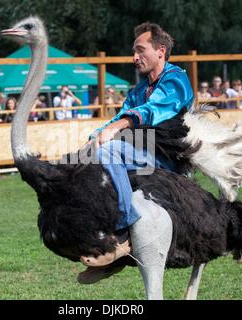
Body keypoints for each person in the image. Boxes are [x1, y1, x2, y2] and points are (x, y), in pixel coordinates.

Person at [78, 22, 194, 283]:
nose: (134, 58)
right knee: (87, 159)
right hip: (142, 150)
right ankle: (104, 243)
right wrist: (92, 139)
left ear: (161, 51)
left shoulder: (176, 79)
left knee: (108, 152)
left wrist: (115, 131)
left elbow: (153, 110)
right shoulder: (139, 89)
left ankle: (120, 235)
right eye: (134, 52)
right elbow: (119, 115)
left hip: (166, 157)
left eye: (141, 50)